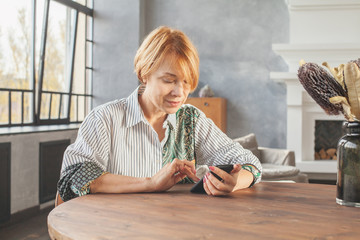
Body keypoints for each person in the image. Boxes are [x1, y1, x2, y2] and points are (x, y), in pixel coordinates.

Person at [56, 26, 262, 204]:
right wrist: (151, 183)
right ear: (144, 74)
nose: (179, 92)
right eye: (168, 80)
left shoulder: (191, 120)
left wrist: (234, 182)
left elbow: (250, 163)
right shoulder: (104, 119)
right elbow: (73, 178)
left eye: (186, 82)